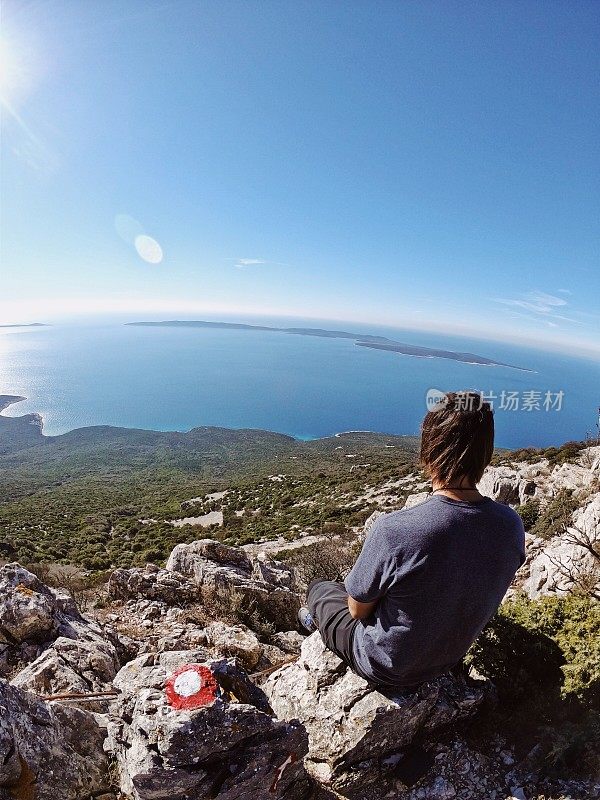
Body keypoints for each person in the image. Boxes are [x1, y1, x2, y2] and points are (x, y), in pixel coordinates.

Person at [298, 390, 526, 690]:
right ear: (485, 453)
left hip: (386, 666)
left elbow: (357, 611)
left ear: (430, 448)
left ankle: (311, 625)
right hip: (448, 659)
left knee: (321, 589)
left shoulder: (398, 529)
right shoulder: (511, 526)